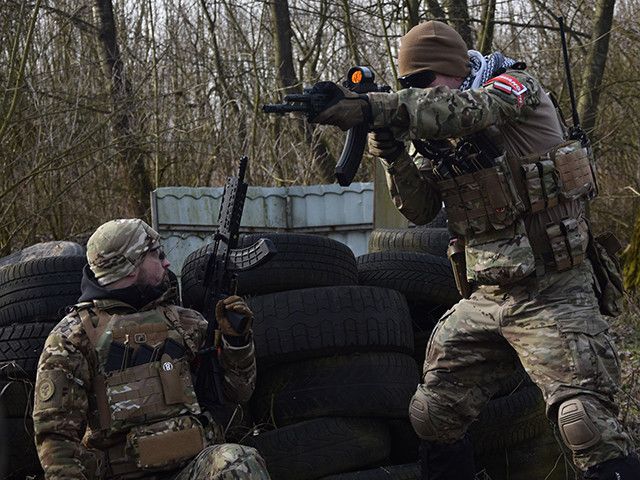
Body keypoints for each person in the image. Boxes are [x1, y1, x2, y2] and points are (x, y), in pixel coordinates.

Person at [309, 20, 639, 480]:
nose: (420, 90)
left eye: (426, 81)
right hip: (485, 298)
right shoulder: (434, 133)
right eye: (410, 85)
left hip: (554, 291)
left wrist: (375, 106)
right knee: (432, 414)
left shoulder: (512, 87)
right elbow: (421, 209)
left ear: (455, 66)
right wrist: (393, 154)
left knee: (584, 424)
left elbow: (468, 110)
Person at [32, 218, 271, 480]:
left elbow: (239, 391)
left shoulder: (184, 322)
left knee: (237, 462)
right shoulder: (72, 338)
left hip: (191, 469)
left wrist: (236, 342)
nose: (167, 263)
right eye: (157, 255)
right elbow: (56, 438)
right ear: (131, 266)